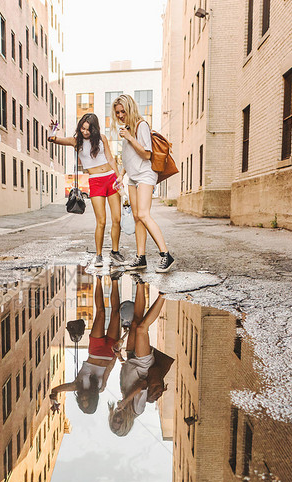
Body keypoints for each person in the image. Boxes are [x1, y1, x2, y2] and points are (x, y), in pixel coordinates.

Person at [49, 114, 125, 267]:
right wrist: (53, 130)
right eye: (82, 128)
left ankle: (115, 252)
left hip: (111, 178)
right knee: (101, 221)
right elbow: (53, 140)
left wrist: (119, 178)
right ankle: (98, 255)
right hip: (96, 181)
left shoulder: (102, 138)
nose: (84, 132)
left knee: (116, 219)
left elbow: (110, 159)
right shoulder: (76, 141)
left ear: (94, 129)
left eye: (88, 130)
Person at [112, 94, 176, 273]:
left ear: (130, 109)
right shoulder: (128, 128)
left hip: (146, 175)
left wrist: (130, 138)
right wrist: (121, 175)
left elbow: (147, 154)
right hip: (132, 176)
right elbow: (128, 158)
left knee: (144, 214)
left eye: (123, 111)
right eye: (117, 112)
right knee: (136, 217)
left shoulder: (141, 125)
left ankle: (166, 255)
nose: (120, 115)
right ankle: (141, 258)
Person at [108, 281, 174, 436]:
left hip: (131, 357)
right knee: (142, 329)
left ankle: (140, 283)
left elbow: (129, 373)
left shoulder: (123, 397)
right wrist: (126, 400)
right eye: (120, 423)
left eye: (114, 421)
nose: (117, 419)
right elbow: (142, 383)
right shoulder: (137, 409)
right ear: (126, 424)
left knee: (135, 322)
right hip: (143, 363)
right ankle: (163, 295)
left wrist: (119, 356)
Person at [50, 274, 122, 413]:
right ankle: (115, 279)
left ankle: (99, 279)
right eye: (87, 400)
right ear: (93, 400)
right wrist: (117, 354)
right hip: (109, 352)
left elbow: (55, 390)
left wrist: (54, 400)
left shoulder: (77, 385)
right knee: (115, 313)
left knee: (100, 313)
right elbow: (108, 370)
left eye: (81, 401)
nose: (83, 398)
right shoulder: (100, 388)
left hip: (95, 350)